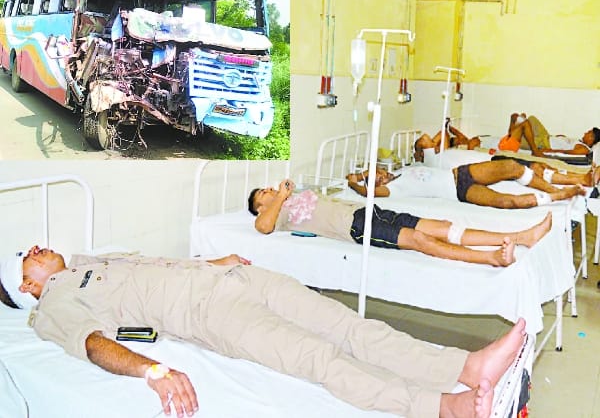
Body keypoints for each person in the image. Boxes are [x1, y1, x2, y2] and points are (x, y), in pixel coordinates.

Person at [0, 246, 530, 418]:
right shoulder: (53, 305)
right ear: (27, 285)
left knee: (350, 326)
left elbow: (160, 266)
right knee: (320, 358)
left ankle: (467, 366)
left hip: (234, 280)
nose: (38, 247)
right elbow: (93, 345)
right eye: (28, 255)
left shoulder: (90, 258)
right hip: (214, 316)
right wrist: (152, 370)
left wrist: (217, 261)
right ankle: (443, 407)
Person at [248, 179, 553, 268]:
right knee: (420, 241)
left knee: (442, 226)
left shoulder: (289, 199)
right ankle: (491, 258)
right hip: (355, 228)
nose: (270, 190)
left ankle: (520, 236)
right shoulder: (276, 216)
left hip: (367, 212)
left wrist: (286, 193)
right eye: (264, 193)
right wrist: (279, 198)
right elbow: (263, 227)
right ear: (260, 207)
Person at [345, 159, 585, 208]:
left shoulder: (403, 170)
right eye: (374, 180)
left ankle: (555, 188)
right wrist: (354, 181)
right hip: (460, 192)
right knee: (506, 202)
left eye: (377, 172)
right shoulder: (393, 190)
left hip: (460, 173)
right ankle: (557, 197)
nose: (380, 177)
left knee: (511, 166)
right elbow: (367, 193)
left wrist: (365, 173)